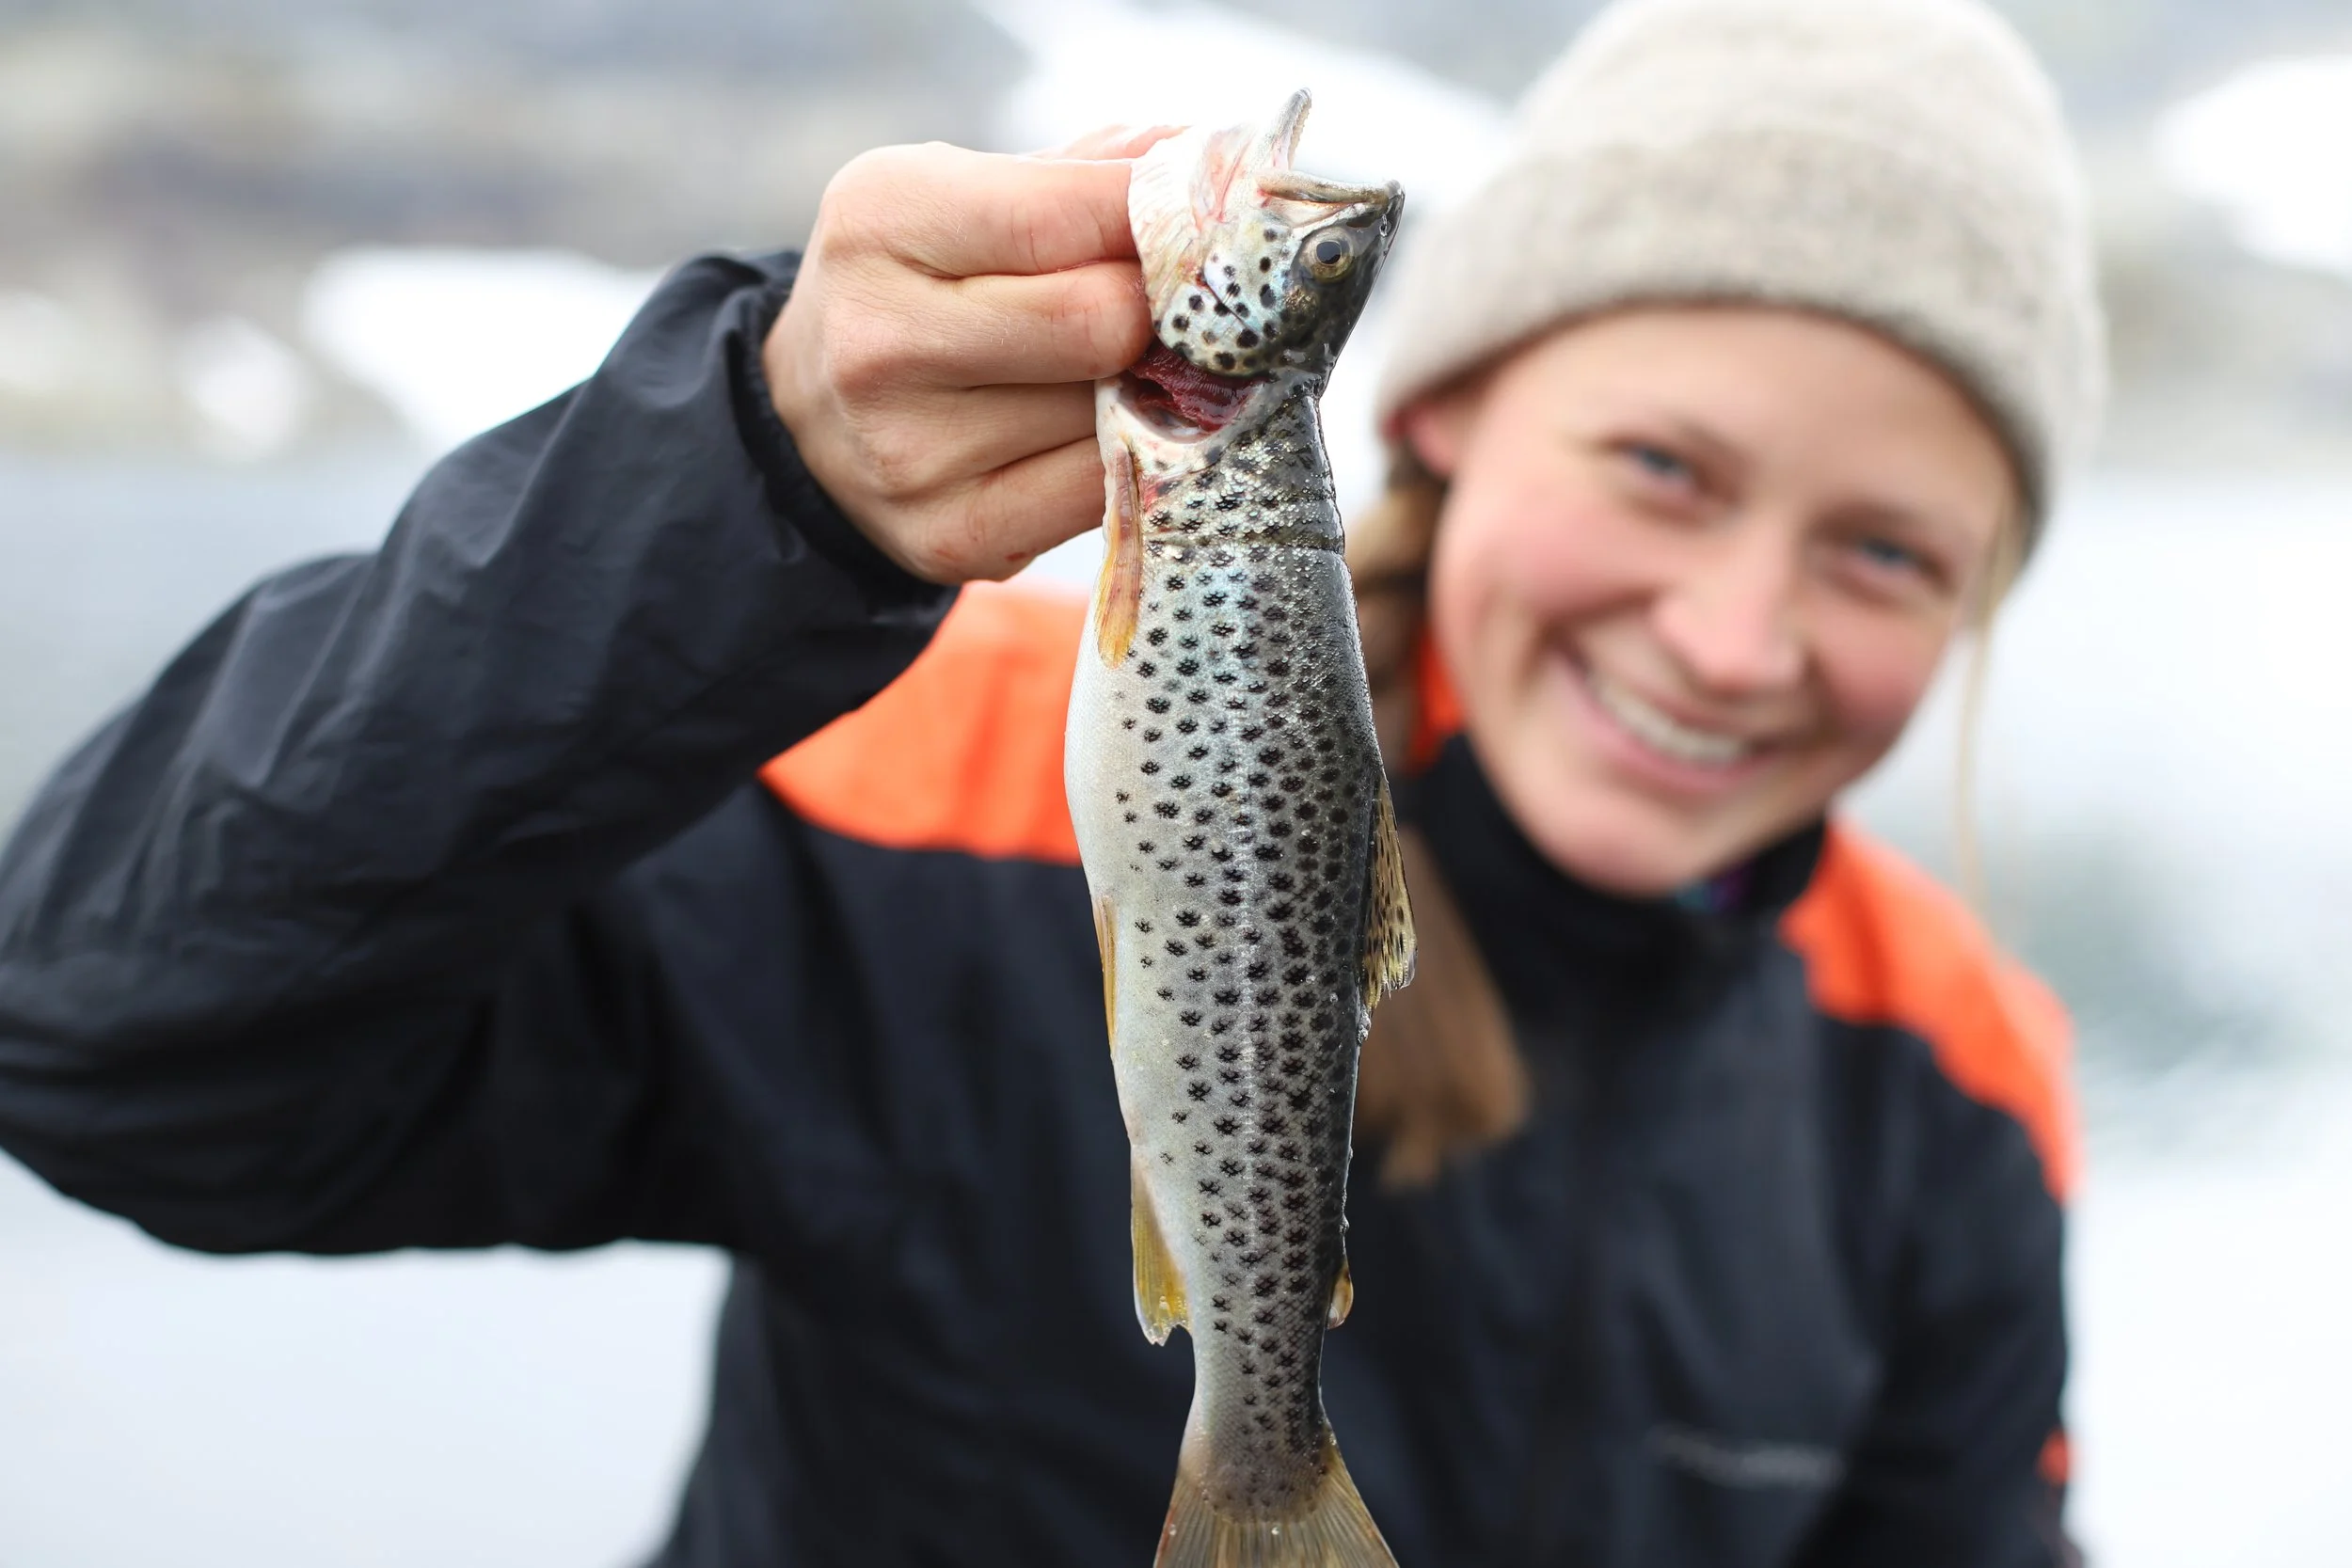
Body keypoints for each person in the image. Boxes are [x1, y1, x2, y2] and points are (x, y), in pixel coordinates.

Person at [0, 0, 2099, 1562]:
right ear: (1442, 423)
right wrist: (745, 491)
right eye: (1663, 468)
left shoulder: (1954, 1072)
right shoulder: (899, 793)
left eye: (1883, 552)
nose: (1732, 637)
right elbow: (110, 1040)